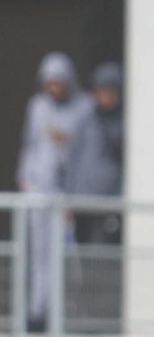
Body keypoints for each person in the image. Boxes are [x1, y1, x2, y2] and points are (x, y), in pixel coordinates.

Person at [16, 53, 96, 329]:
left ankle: (69, 313)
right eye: (49, 82)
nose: (54, 88)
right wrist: (25, 179)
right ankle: (38, 310)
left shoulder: (85, 107)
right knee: (39, 254)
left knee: (69, 257)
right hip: (40, 189)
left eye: (59, 82)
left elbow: (88, 154)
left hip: (69, 194)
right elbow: (30, 144)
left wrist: (68, 143)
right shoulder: (37, 107)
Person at [71, 63, 123, 244]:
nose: (105, 96)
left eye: (110, 91)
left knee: (104, 252)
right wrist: (69, 196)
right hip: (83, 201)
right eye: (101, 90)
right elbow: (74, 158)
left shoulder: (124, 122)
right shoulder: (86, 120)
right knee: (84, 252)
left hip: (110, 202)